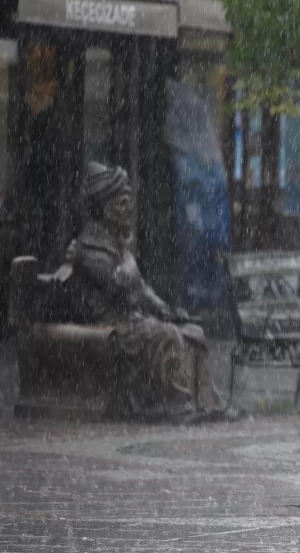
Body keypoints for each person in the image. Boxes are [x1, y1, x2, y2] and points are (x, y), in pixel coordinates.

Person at [64, 162, 235, 424]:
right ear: (104, 209)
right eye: (121, 203)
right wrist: (130, 262)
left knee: (193, 333)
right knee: (165, 335)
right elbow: (119, 285)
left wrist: (168, 310)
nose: (128, 210)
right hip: (111, 325)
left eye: (128, 202)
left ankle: (207, 403)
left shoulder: (118, 244)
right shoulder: (89, 249)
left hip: (132, 320)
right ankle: (176, 406)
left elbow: (142, 290)